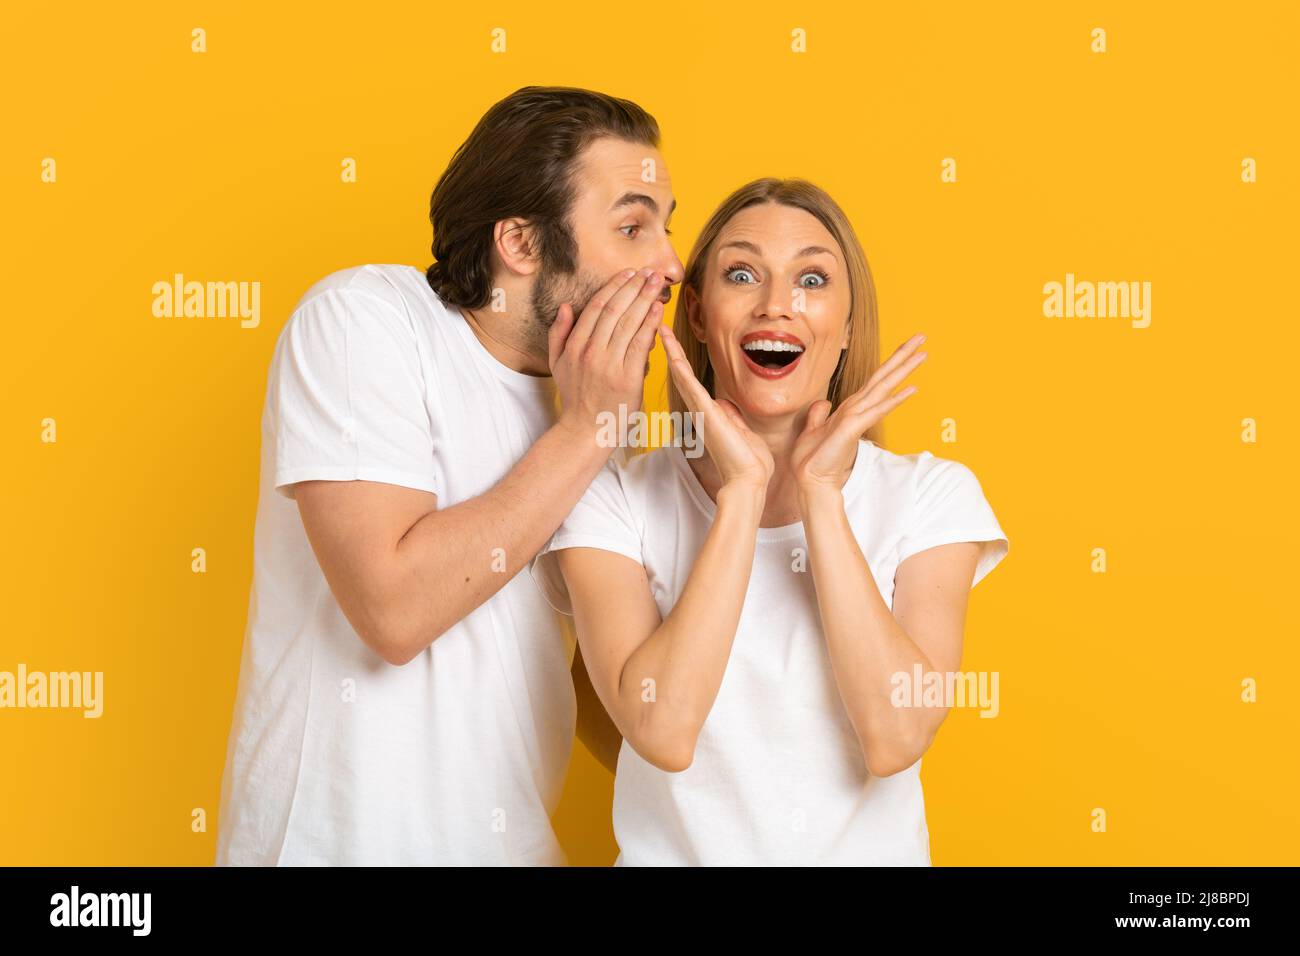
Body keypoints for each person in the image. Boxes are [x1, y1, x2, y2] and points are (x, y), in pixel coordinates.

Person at [215, 86, 684, 865]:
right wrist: (588, 431)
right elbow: (393, 608)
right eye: (633, 227)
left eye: (667, 228)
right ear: (522, 244)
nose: (668, 263)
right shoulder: (365, 319)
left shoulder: (592, 413)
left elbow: (593, 675)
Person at [532, 178, 1010, 866]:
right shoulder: (611, 497)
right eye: (742, 274)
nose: (777, 305)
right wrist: (742, 497)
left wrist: (820, 497)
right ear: (697, 313)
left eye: (811, 279)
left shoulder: (932, 497)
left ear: (847, 326)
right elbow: (661, 731)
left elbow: (896, 736)